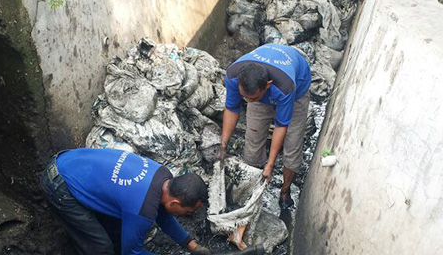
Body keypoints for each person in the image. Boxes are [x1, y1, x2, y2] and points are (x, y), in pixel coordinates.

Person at [41, 148, 211, 255]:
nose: (188, 215)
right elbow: (132, 252)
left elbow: (163, 215)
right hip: (60, 184)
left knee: (117, 233)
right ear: (174, 203)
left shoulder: (163, 176)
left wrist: (191, 245)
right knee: (100, 248)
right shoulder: (142, 209)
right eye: (188, 212)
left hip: (71, 160)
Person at [218, 44, 311, 209]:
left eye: (251, 98)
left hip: (296, 91)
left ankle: (285, 191)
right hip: (261, 89)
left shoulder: (285, 86)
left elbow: (281, 125)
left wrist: (270, 164)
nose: (248, 101)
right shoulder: (234, 76)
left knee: (292, 143)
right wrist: (223, 145)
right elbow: (232, 108)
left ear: (267, 85)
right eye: (244, 97)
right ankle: (252, 185)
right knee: (253, 138)